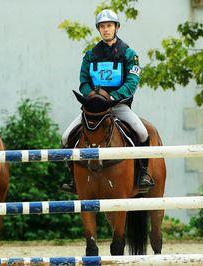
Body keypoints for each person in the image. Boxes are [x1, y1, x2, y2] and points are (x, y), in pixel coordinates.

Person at [61, 9, 154, 192]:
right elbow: (84, 82)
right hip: (95, 108)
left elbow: (132, 82)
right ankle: (71, 177)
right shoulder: (90, 55)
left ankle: (143, 173)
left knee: (142, 133)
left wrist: (112, 97)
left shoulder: (128, 54)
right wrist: (94, 98)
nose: (106, 30)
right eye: (102, 27)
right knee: (66, 136)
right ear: (99, 30)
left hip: (117, 106)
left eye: (109, 26)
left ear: (116, 28)